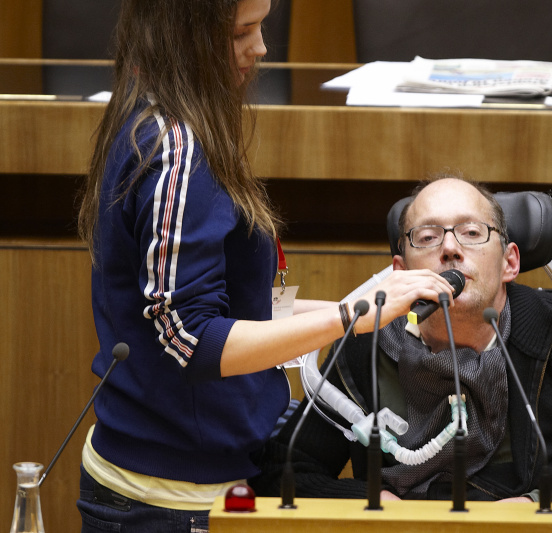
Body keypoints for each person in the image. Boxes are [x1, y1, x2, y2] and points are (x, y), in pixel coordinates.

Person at [74, 1, 456, 531]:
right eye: (241, 33)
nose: (261, 48)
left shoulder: (161, 111)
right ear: (183, 36)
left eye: (261, 26)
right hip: (165, 497)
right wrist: (349, 317)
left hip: (188, 474)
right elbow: (195, 340)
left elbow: (235, 308)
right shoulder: (176, 150)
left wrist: (377, 307)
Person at [251, 175, 552, 529]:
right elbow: (284, 473)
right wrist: (375, 502)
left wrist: (534, 509)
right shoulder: (368, 338)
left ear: (510, 262)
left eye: (473, 233)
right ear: (401, 271)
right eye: (428, 236)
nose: (450, 248)